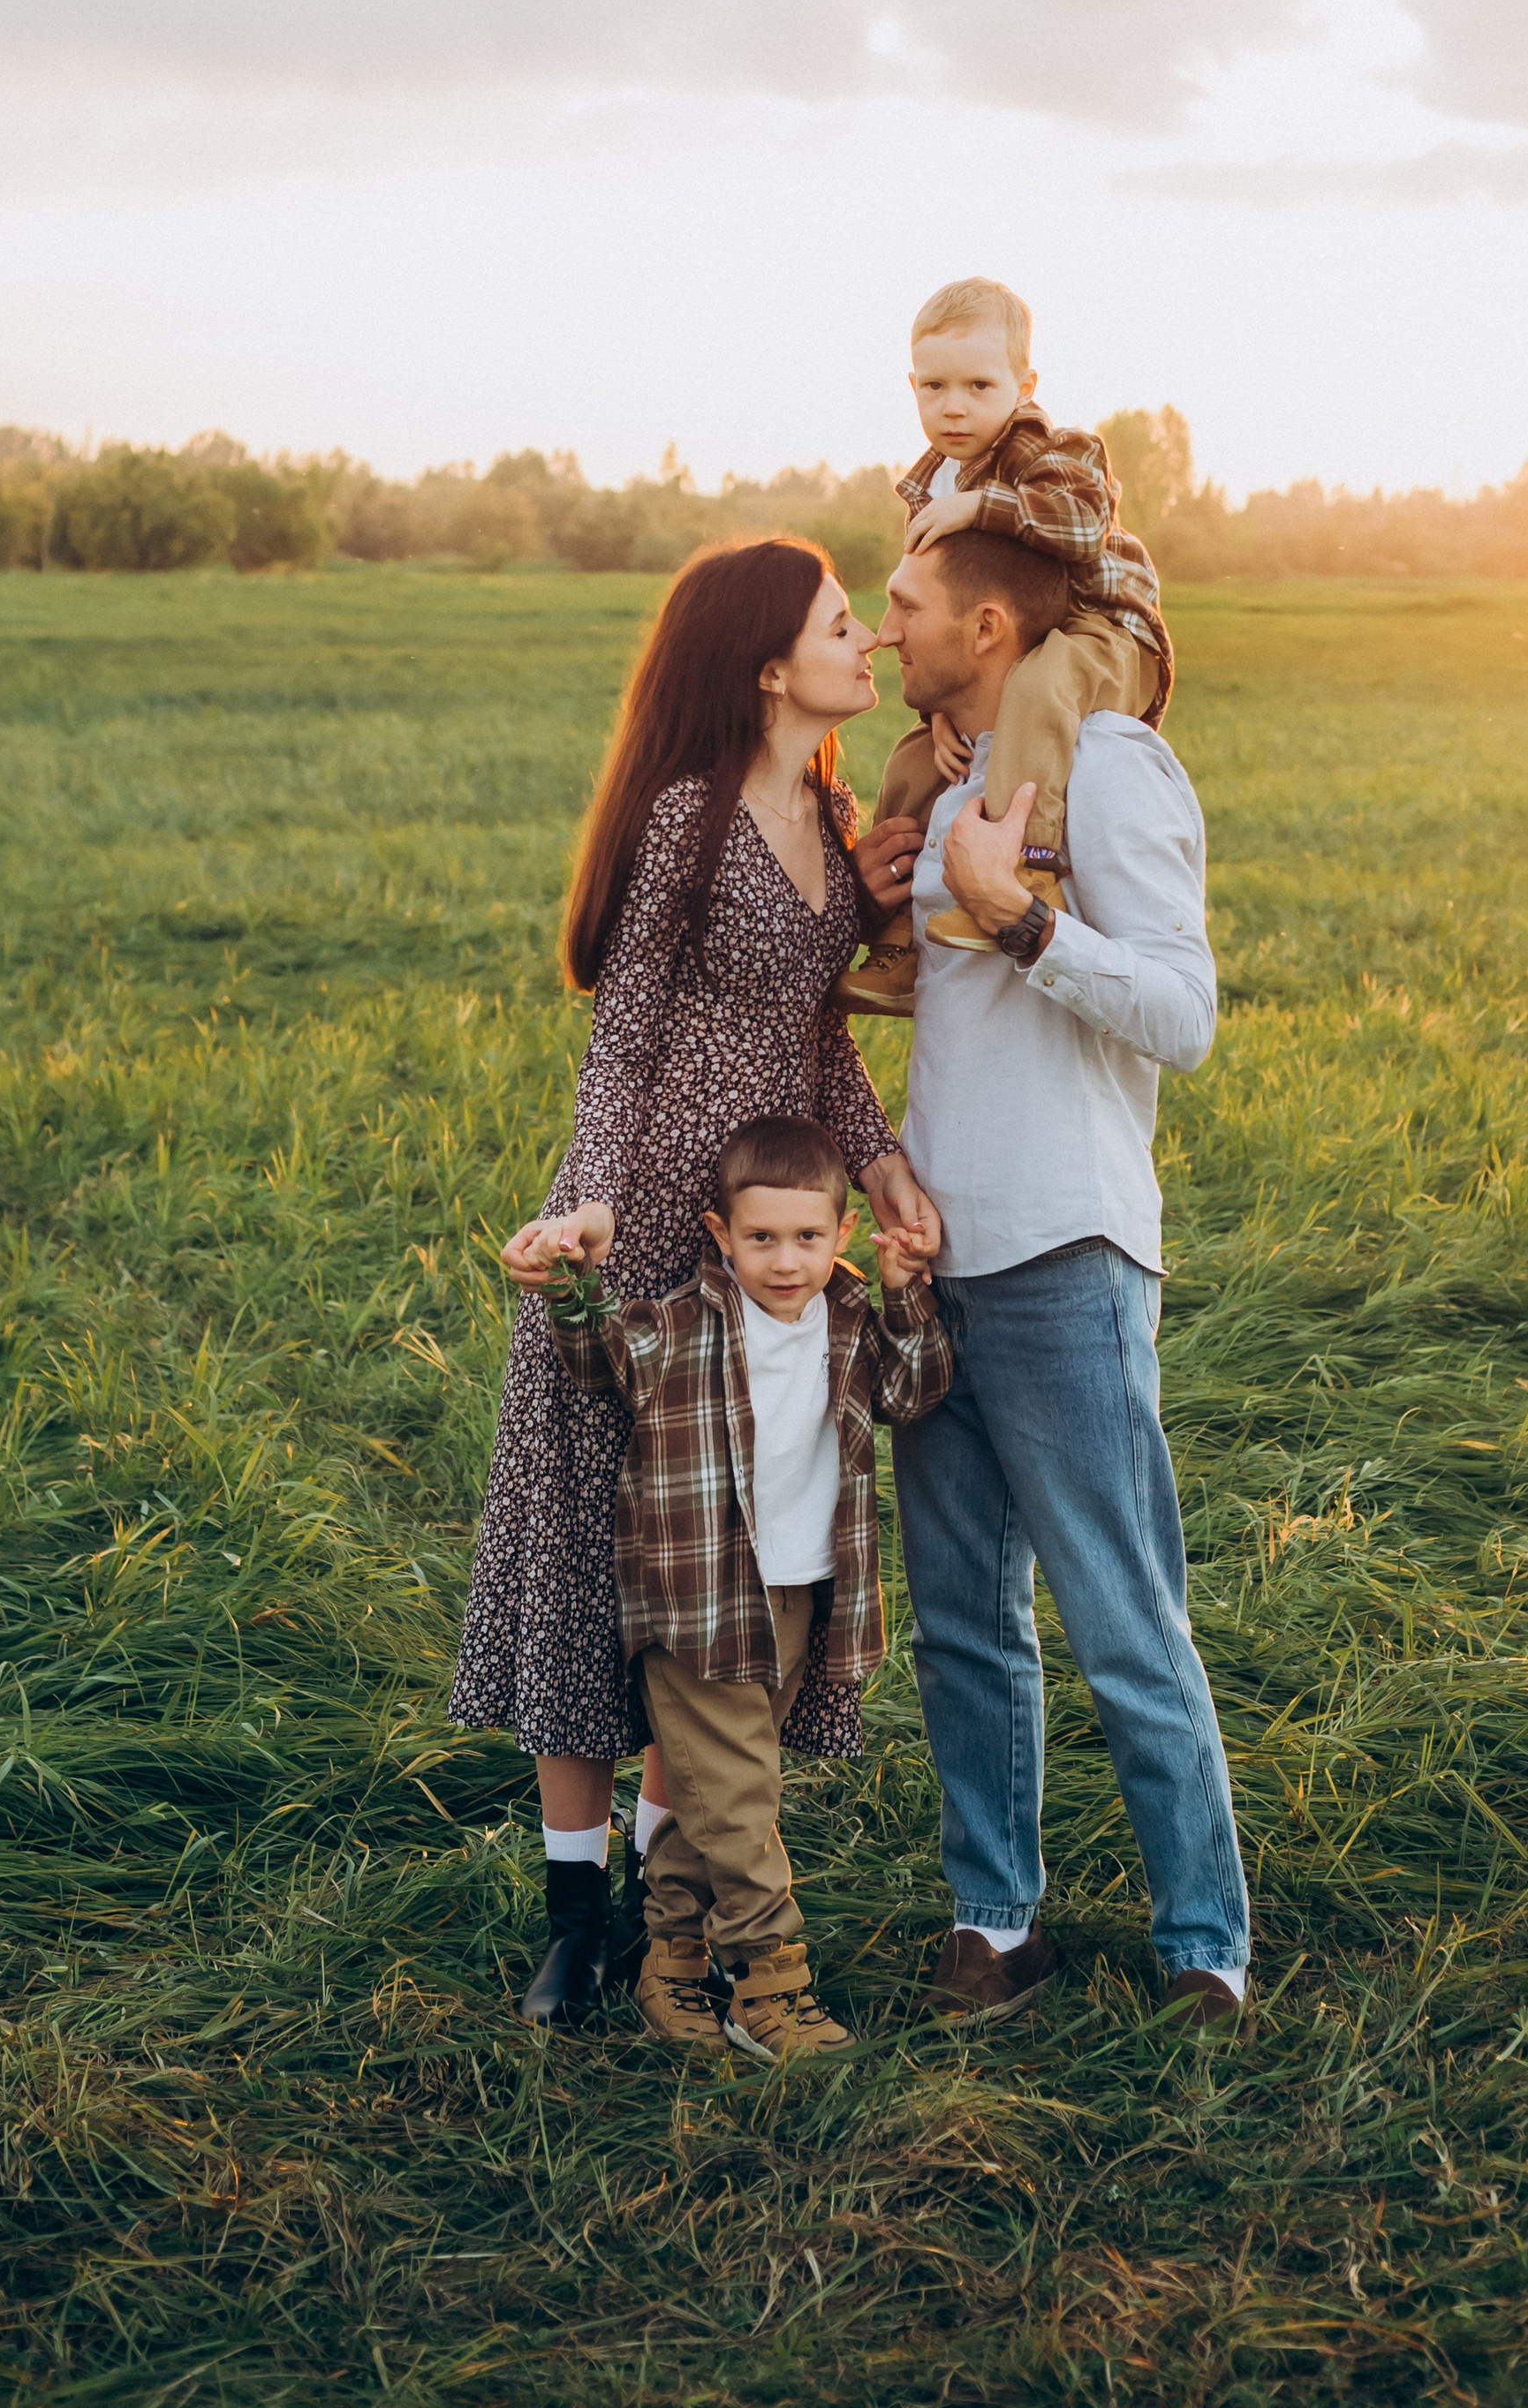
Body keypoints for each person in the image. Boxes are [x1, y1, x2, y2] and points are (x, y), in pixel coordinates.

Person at [450, 539, 943, 2027]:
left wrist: (889, 1168)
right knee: (586, 1585)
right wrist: (595, 1197)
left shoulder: (826, 803)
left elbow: (824, 1042)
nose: (872, 646)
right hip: (642, 1232)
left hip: (766, 1252)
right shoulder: (691, 814)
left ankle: (672, 1919)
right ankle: (573, 1921)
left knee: (711, 1576)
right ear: (766, 667)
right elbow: (626, 1025)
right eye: (842, 626)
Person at [865, 525, 1252, 2034]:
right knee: (962, 1618)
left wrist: (1022, 916)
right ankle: (995, 1920)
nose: (885, 629)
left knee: (1119, 1615)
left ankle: (1205, 1943)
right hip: (935, 1253)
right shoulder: (943, 782)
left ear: (985, 621)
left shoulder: (1113, 764)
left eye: (903, 607)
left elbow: (1184, 1012)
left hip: (1070, 1254)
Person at [525, 1114, 951, 2061]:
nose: (786, 1261)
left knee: (712, 1800)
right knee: (745, 1801)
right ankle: (771, 1984)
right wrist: (571, 1277)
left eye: (807, 1238)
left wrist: (902, 1294)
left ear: (839, 1234)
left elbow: (914, 1392)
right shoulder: (681, 1325)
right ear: (721, 1233)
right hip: (697, 1600)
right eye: (761, 1238)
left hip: (801, 1594)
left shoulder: (848, 1322)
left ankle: (670, 1962)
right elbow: (597, 1358)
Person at [843, 274, 1171, 1016]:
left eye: (978, 385)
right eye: (933, 386)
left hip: (1105, 630)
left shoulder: (1055, 451)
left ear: (1023, 386)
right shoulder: (930, 488)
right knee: (915, 756)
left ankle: (1030, 873)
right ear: (912, 385)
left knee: (1038, 692)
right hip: (1024, 641)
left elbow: (1083, 528)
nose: (953, 405)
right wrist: (940, 712)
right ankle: (897, 930)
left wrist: (980, 505)